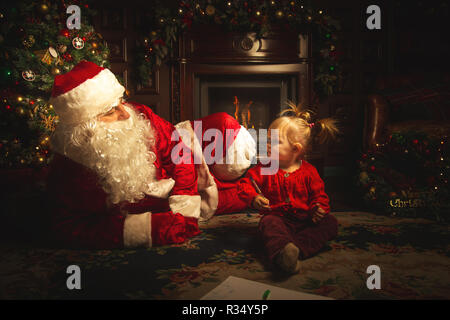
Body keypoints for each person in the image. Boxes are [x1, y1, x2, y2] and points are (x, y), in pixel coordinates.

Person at [47, 61, 255, 249]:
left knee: (226, 132)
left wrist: (185, 206)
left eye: (121, 100)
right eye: (111, 111)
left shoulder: (138, 113)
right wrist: (148, 229)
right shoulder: (68, 168)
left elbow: (178, 150)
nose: (126, 113)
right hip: (154, 204)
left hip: (183, 178)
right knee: (237, 195)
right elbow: (68, 228)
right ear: (85, 127)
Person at [237, 102, 339, 274]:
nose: (268, 144)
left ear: (295, 149)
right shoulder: (265, 168)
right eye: (268, 140)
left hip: (306, 222)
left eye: (274, 141)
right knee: (268, 223)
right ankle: (285, 249)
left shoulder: (309, 172)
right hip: (279, 220)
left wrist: (318, 209)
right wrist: (254, 197)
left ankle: (291, 250)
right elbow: (244, 184)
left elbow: (319, 196)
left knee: (330, 223)